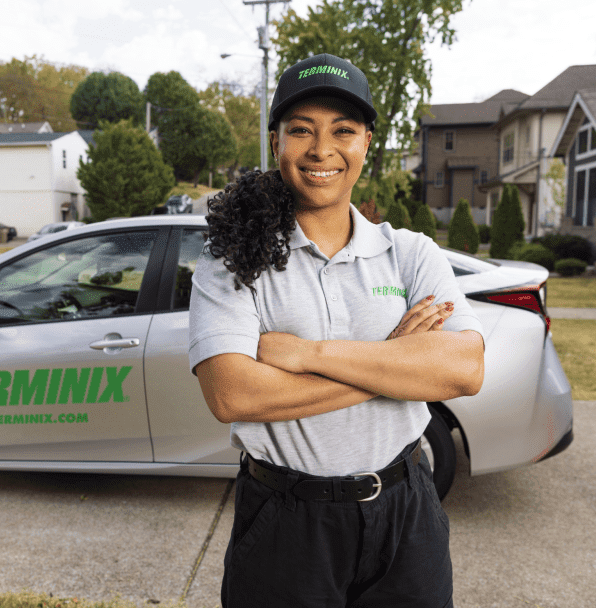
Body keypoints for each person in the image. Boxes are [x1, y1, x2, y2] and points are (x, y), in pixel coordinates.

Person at [188, 53, 485, 608]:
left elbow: (464, 369)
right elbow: (232, 394)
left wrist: (306, 355)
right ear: (275, 142)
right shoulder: (233, 257)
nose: (322, 150)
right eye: (301, 130)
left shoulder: (411, 254)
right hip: (285, 521)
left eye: (342, 131)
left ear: (366, 143)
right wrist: (396, 363)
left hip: (406, 511)